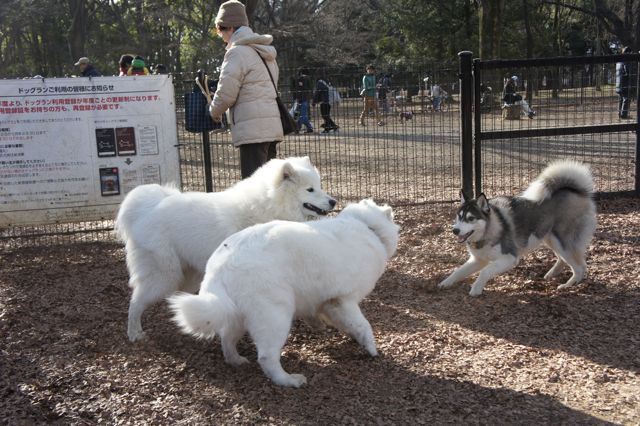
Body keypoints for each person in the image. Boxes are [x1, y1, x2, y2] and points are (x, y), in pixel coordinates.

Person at [208, 0, 282, 179]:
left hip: (252, 130)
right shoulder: (265, 51)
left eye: (220, 30)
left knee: (254, 189)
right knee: (269, 187)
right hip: (271, 127)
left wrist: (212, 111)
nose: (221, 36)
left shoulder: (236, 53)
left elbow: (226, 94)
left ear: (230, 28)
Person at [294, 67, 314, 133]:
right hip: (304, 99)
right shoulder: (308, 79)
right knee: (302, 114)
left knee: (300, 115)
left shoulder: (301, 79)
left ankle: (297, 128)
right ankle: (309, 127)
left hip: (301, 99)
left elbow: (300, 89)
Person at [616, 46, 632, 119]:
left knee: (621, 99)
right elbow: (627, 71)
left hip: (618, 84)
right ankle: (624, 115)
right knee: (626, 99)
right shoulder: (626, 61)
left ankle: (619, 113)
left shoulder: (619, 62)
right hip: (624, 83)